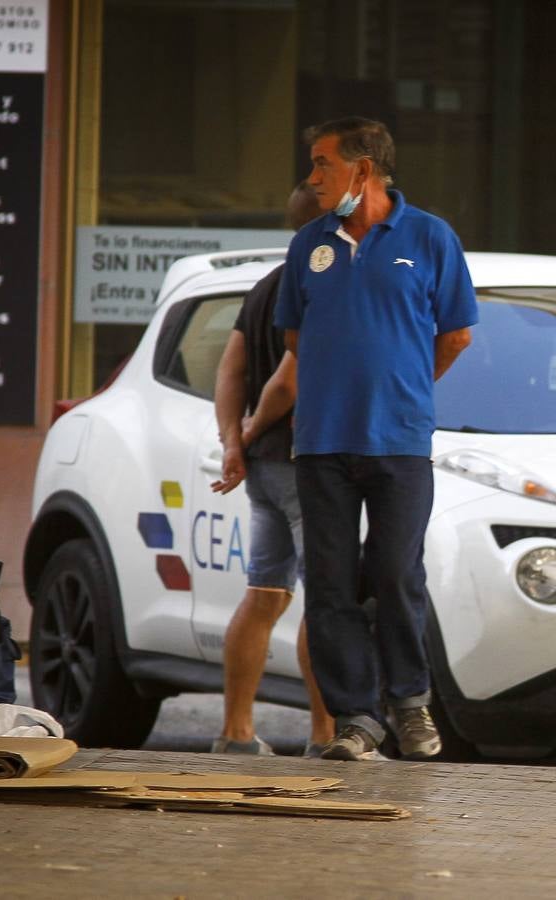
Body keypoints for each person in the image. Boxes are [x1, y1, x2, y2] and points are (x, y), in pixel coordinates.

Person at [274, 117, 477, 761]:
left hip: (400, 442)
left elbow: (455, 336)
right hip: (322, 444)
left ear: (363, 169)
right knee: (330, 583)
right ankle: (357, 718)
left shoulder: (431, 237)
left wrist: (403, 385)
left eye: (322, 164)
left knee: (394, 572)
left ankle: (410, 704)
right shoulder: (309, 244)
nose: (312, 178)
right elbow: (296, 338)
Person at [208, 182, 334, 757]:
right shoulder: (321, 281)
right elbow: (288, 379)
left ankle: (236, 732)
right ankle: (326, 734)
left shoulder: (264, 286)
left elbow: (229, 372)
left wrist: (233, 443)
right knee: (324, 599)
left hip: (262, 469)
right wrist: (256, 428)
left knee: (264, 594)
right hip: (304, 461)